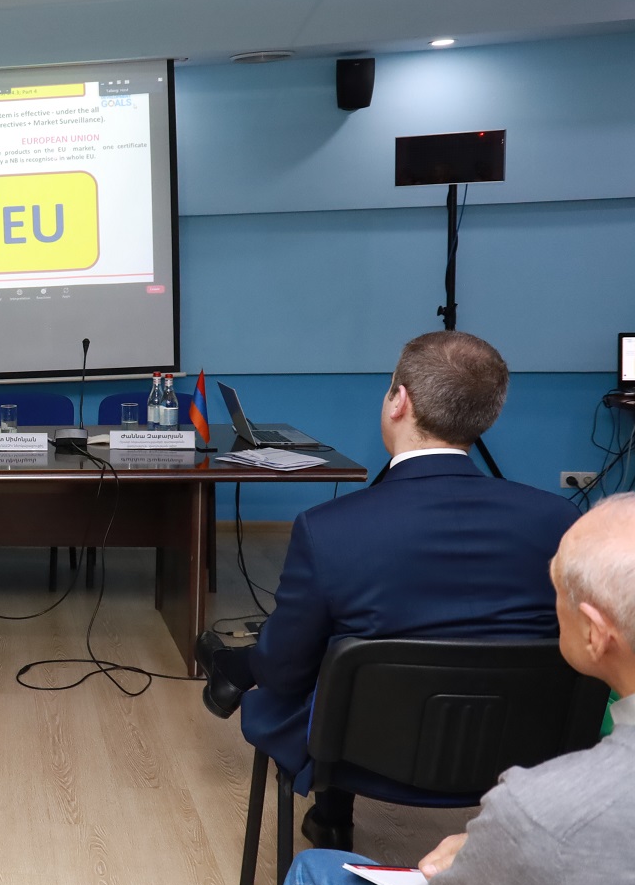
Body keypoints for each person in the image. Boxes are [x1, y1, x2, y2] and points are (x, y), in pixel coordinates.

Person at [213, 493, 635, 885]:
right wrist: (500, 849)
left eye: (555, 590)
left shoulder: (542, 810)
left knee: (315, 884)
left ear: (595, 632)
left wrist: (487, 863)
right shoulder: (548, 812)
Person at [197, 331, 576, 850]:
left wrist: (259, 663)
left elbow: (283, 673)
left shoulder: (329, 529)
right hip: (525, 749)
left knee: (318, 651)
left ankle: (328, 811)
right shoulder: (559, 520)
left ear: (399, 401)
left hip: (357, 753)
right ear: (488, 413)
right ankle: (326, 808)